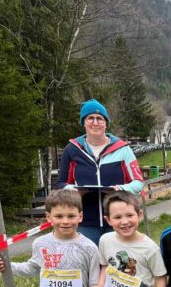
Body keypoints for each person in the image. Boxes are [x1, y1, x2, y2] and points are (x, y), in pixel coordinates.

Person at [57, 99, 144, 245]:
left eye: (100, 118)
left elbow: (138, 182)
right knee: (88, 259)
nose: (95, 123)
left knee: (119, 259)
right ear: (83, 122)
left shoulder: (122, 149)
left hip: (118, 219)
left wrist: (120, 189)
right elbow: (60, 183)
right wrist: (74, 191)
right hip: (85, 221)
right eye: (90, 118)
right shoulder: (71, 149)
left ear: (106, 123)